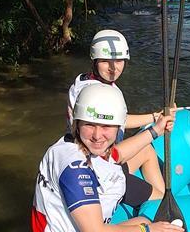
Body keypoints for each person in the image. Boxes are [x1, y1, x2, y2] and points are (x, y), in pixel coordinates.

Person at [32, 83, 186, 232]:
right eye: (89, 125)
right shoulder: (75, 170)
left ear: (117, 127)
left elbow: (116, 154)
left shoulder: (72, 145)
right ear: (77, 123)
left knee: (142, 220)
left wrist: (155, 130)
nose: (97, 135)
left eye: (106, 126)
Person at [67, 29, 170, 196]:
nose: (113, 68)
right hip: (99, 170)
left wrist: (155, 117)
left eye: (119, 60)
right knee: (158, 197)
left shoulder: (86, 81)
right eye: (106, 61)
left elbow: (120, 120)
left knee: (147, 151)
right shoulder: (93, 92)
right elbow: (113, 147)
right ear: (95, 60)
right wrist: (155, 126)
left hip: (104, 156)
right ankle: (159, 201)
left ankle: (160, 195)